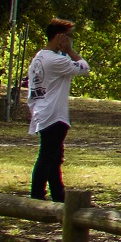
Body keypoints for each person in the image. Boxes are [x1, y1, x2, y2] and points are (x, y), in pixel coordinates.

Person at [24, 18, 89, 203]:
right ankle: (36, 195)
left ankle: (58, 194)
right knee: (47, 156)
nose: (70, 41)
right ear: (59, 37)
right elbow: (84, 68)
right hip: (54, 114)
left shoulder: (39, 57)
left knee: (54, 156)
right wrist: (70, 51)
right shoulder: (55, 60)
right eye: (68, 37)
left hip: (42, 111)